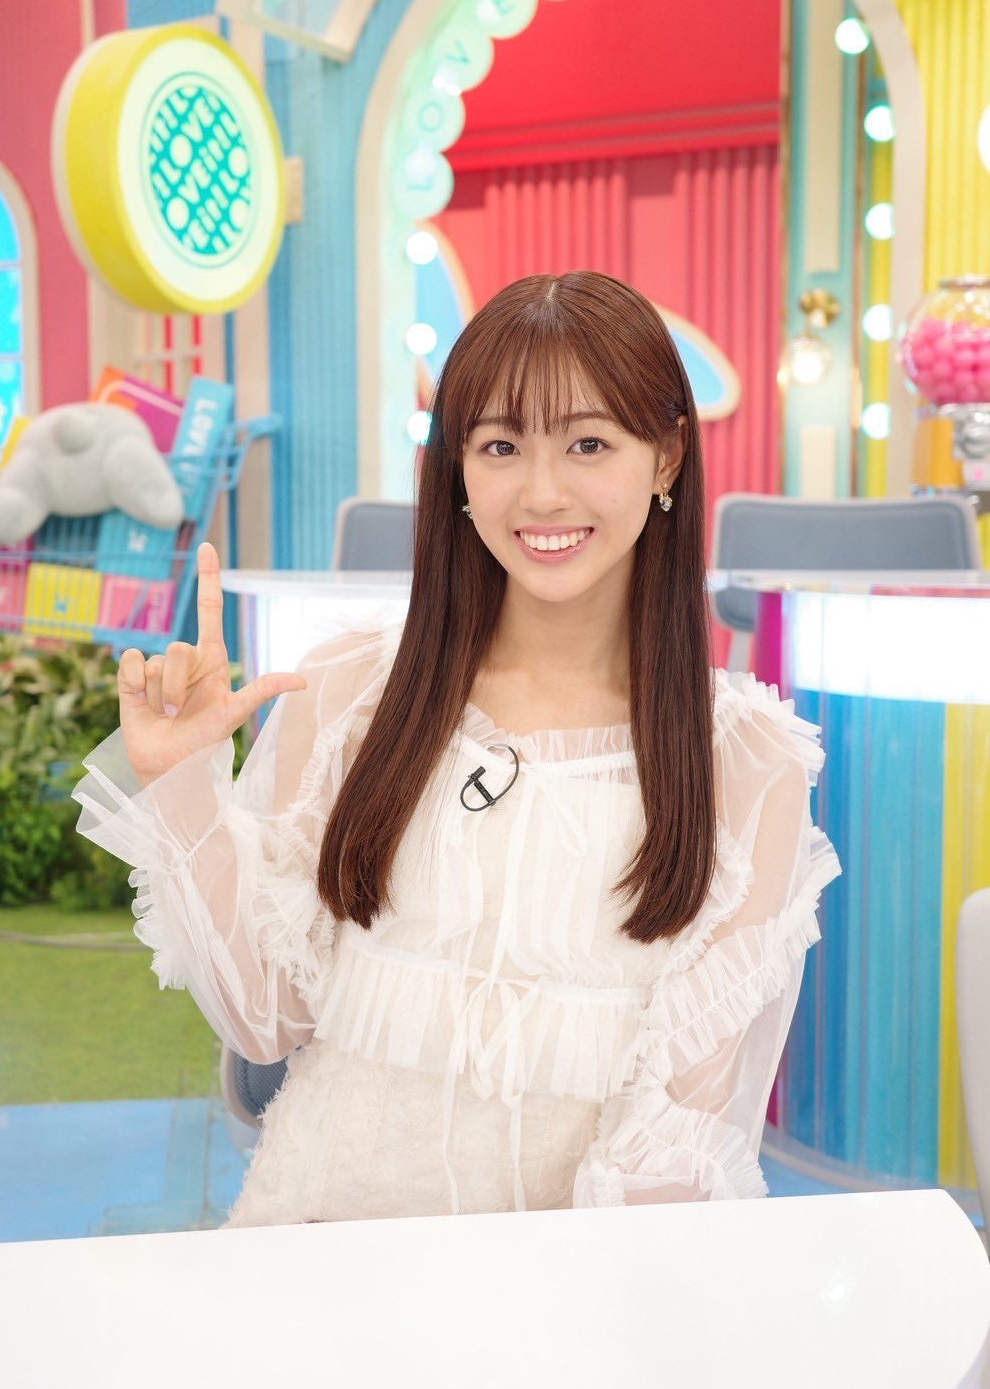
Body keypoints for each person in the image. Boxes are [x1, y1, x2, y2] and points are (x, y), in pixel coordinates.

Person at [74, 270, 840, 1224]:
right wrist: (183, 782)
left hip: (577, 1290)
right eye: (500, 446)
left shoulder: (747, 762)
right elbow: (266, 1016)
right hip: (318, 1247)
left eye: (588, 443)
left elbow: (676, 1146)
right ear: (459, 469)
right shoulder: (352, 692)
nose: (542, 492)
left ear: (666, 457)